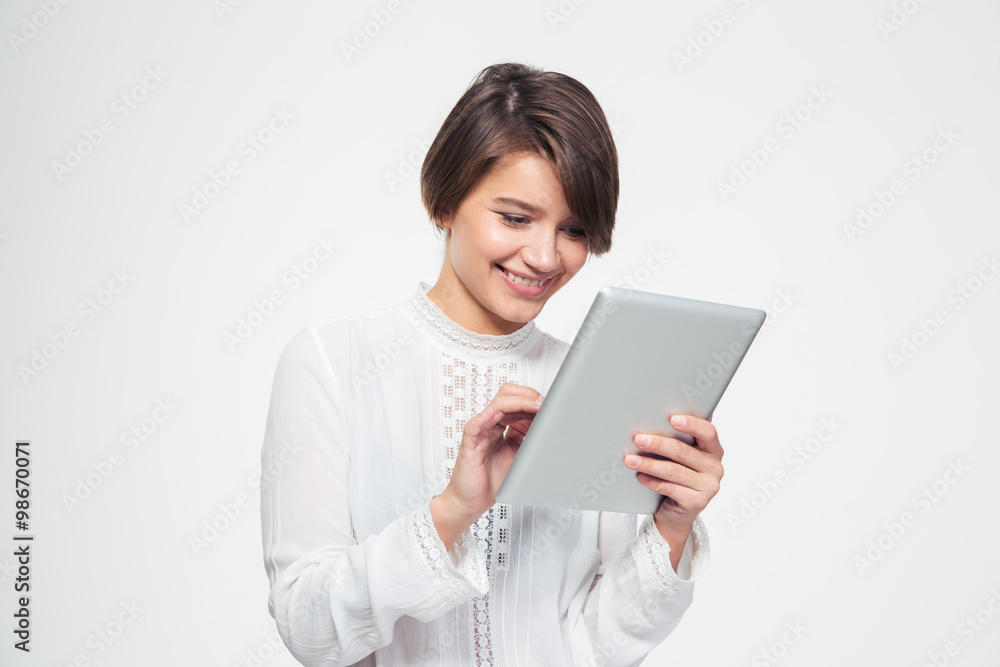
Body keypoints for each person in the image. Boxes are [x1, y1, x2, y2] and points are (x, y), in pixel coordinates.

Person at [260, 62, 725, 666]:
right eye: (515, 217)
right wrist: (452, 510)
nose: (543, 255)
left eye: (574, 229)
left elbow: (596, 649)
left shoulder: (594, 384)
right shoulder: (332, 362)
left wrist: (672, 524)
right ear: (446, 201)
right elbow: (309, 627)